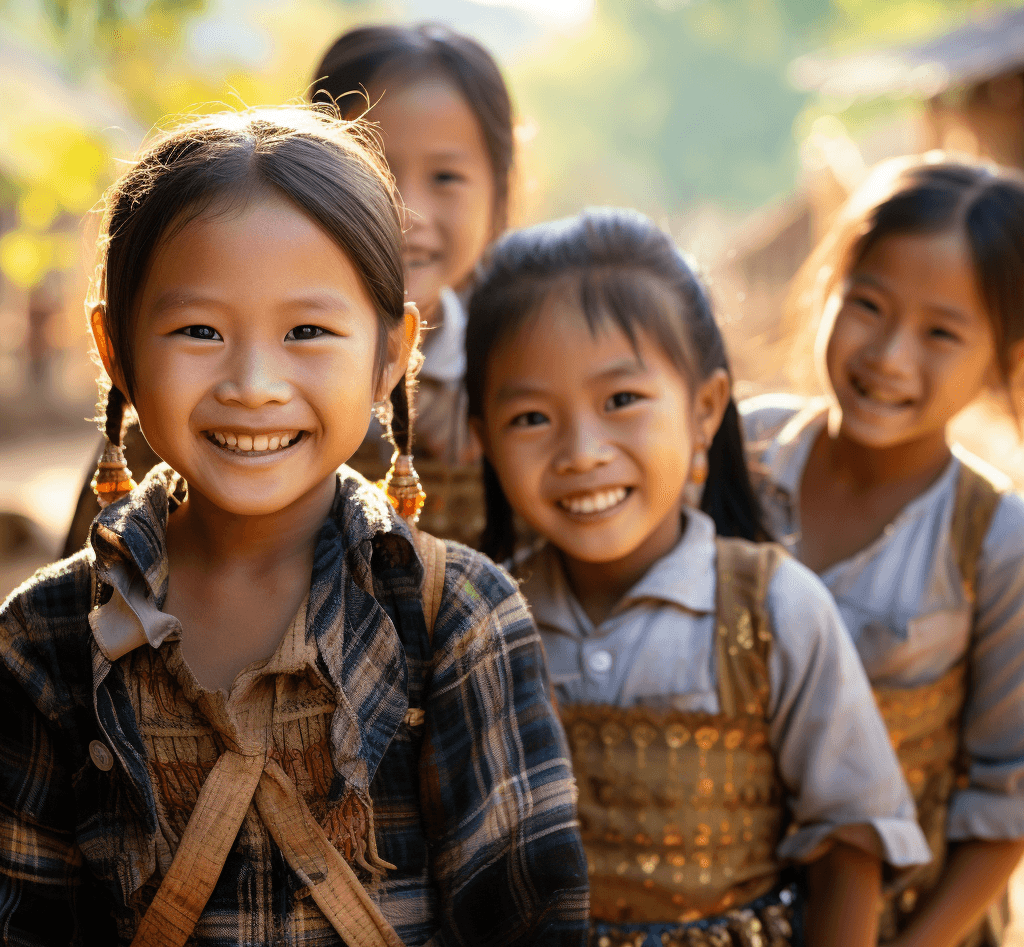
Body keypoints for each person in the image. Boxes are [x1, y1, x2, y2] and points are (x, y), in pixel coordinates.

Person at [0, 107, 588, 946]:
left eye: (306, 332)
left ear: (391, 354)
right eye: (199, 331)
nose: (253, 383)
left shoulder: (457, 618)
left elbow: (531, 917)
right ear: (115, 349)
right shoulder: (44, 638)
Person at [465, 208, 930, 947]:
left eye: (621, 401)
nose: (582, 451)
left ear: (704, 409)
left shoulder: (775, 610)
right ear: (484, 438)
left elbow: (851, 844)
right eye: (530, 417)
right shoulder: (482, 624)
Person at [62, 22, 514, 554]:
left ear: (499, 190)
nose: (407, 212)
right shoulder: (176, 404)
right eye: (378, 171)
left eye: (446, 177)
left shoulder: (524, 387)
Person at [741, 155, 1024, 947]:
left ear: (1005, 358)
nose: (891, 356)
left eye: (942, 333)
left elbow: (1007, 807)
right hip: (719, 911)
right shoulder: (743, 452)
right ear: (828, 287)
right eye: (868, 305)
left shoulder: (996, 541)